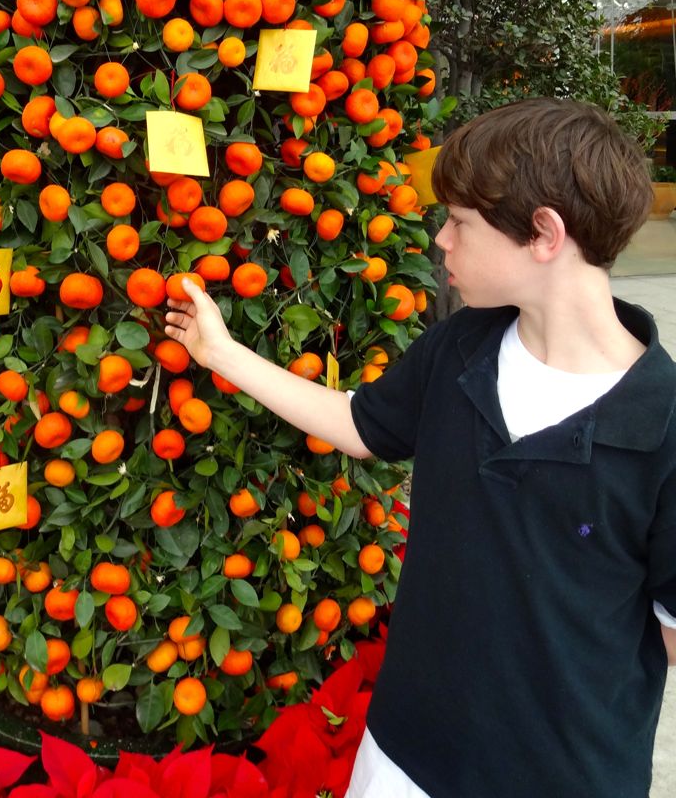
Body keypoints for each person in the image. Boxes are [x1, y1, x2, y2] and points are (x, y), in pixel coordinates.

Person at [164, 98, 676, 798]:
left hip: (563, 775)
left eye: (460, 221)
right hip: (404, 754)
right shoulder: (462, 348)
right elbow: (360, 425)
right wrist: (222, 354)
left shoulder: (662, 427)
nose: (441, 240)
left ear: (544, 234)